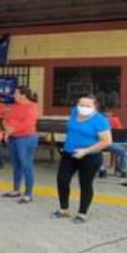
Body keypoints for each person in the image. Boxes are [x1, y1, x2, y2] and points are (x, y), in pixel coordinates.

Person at [52, 94, 113, 224]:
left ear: (95, 107)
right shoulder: (74, 112)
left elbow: (106, 141)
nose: (83, 108)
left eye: (87, 106)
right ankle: (64, 209)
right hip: (70, 153)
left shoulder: (100, 120)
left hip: (90, 156)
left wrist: (85, 151)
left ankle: (82, 213)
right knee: (62, 179)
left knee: (85, 184)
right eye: (81, 105)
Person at [3, 87, 40, 203]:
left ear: (23, 95)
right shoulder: (14, 106)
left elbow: (28, 123)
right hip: (14, 138)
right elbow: (6, 119)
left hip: (26, 138)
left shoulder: (32, 106)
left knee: (26, 165)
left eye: (16, 93)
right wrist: (6, 130)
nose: (14, 95)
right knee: (16, 165)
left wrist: (11, 130)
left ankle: (28, 193)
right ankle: (16, 189)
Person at [98, 111, 127, 179]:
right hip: (98, 144)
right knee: (95, 154)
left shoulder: (115, 120)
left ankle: (122, 170)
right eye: (105, 115)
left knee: (126, 154)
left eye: (109, 115)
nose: (108, 117)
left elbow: (119, 134)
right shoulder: (96, 122)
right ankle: (102, 170)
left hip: (112, 144)